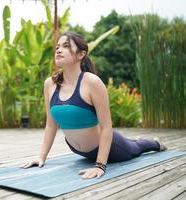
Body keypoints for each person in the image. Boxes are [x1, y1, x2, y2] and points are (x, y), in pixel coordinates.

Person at [21, 31, 167, 179]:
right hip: (78, 150)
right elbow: (51, 125)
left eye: (66, 46)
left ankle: (155, 144)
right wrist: (41, 157)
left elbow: (106, 127)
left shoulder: (92, 82)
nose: (58, 50)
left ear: (81, 54)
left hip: (111, 148)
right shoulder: (50, 84)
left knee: (136, 147)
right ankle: (138, 140)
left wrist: (100, 165)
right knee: (132, 143)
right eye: (57, 47)